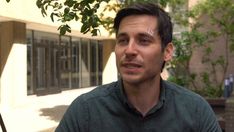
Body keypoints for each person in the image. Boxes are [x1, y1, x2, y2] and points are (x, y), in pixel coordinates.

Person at [55, 3, 222, 132]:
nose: (129, 50)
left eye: (143, 40)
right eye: (123, 40)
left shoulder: (195, 111)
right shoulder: (85, 111)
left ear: (167, 51)